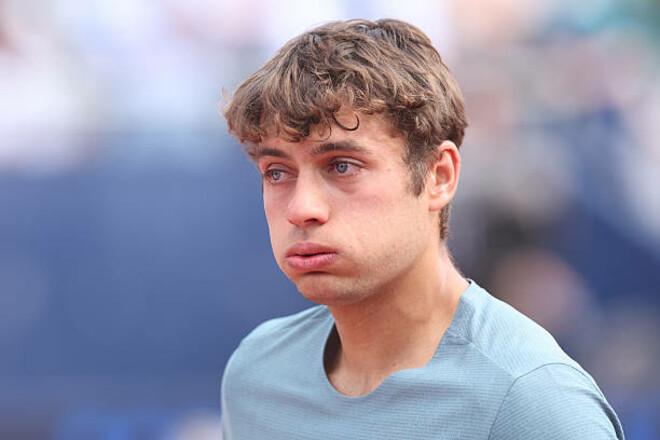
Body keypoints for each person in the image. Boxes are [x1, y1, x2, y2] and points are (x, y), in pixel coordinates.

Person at [220, 18, 624, 439]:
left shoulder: (534, 401)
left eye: (342, 166)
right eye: (277, 172)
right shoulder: (256, 376)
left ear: (439, 176)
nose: (302, 208)